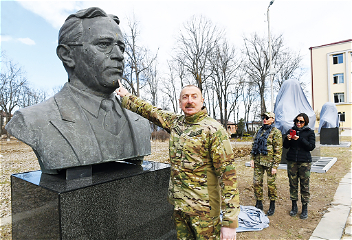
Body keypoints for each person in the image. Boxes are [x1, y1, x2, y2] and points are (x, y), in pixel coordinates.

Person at [5, 7, 151, 174]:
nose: (119, 55)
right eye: (104, 44)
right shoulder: (33, 119)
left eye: (121, 48)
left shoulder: (140, 120)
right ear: (67, 55)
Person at [116, 81, 240, 240]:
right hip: (180, 208)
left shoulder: (214, 130)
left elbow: (228, 176)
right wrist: (127, 96)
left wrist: (230, 222)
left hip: (204, 213)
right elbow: (151, 111)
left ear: (202, 101)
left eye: (194, 97)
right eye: (185, 97)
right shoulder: (176, 123)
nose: (190, 101)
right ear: (180, 102)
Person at [283, 113, 315, 219]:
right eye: (297, 121)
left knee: (304, 186)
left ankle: (304, 208)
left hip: (304, 161)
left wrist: (300, 139)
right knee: (293, 184)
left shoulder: (310, 132)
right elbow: (285, 146)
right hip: (292, 161)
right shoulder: (291, 130)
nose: (298, 123)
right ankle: (294, 206)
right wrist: (288, 139)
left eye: (301, 121)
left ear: (305, 122)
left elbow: (311, 147)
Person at [250, 112, 282, 216]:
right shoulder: (259, 131)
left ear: (272, 119)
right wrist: (252, 158)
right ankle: (259, 203)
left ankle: (272, 204)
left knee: (271, 185)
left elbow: (278, 150)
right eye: (264, 117)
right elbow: (254, 144)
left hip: (270, 163)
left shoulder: (276, 132)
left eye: (267, 117)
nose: (265, 119)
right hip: (258, 161)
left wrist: (275, 166)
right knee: (257, 182)